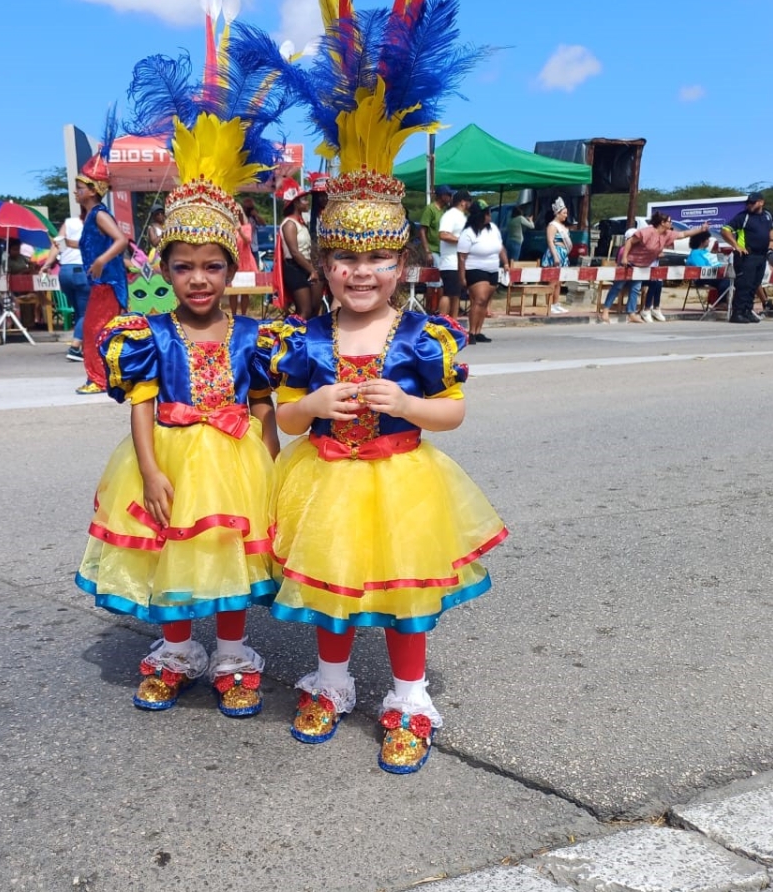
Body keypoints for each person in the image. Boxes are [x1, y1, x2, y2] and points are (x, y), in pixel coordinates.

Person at [268, 0, 506, 775]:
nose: (360, 273)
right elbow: (283, 414)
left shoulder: (425, 334)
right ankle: (332, 681)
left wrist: (407, 405)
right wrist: (309, 407)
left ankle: (408, 695)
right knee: (328, 588)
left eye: (376, 260)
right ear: (323, 264)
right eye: (344, 259)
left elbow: (456, 411)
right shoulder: (305, 336)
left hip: (404, 482)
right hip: (327, 481)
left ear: (401, 265)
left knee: (406, 595)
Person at [76, 35, 283, 717]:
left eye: (213, 266)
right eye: (184, 265)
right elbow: (140, 402)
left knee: (226, 558)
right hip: (164, 455)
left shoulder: (254, 334)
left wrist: (272, 470)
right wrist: (150, 466)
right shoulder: (147, 335)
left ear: (234, 270)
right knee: (169, 557)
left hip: (235, 463)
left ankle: (229, 655)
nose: (198, 278)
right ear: (163, 270)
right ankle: (174, 651)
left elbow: (261, 405)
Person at [73, 110, 129, 394]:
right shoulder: (91, 216)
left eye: (79, 187)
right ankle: (104, 376)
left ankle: (99, 379)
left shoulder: (98, 214)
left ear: (93, 190)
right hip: (102, 281)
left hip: (107, 282)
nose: (76, 192)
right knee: (99, 330)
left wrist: (101, 260)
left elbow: (121, 239)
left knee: (96, 330)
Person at [602, 213, 707, 323]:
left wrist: (701, 229)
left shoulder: (667, 234)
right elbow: (630, 241)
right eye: (669, 221)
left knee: (635, 289)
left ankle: (631, 314)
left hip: (642, 265)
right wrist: (624, 258)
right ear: (662, 223)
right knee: (618, 286)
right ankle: (605, 311)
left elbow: (684, 234)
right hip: (630, 262)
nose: (671, 223)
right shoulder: (647, 232)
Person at [719, 192, 773, 324]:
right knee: (744, 285)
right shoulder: (743, 217)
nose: (749, 205)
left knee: (754, 285)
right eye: (748, 203)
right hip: (746, 256)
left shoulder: (767, 216)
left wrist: (772, 243)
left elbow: (771, 229)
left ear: (761, 202)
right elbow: (725, 230)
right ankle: (737, 313)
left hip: (761, 256)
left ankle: (747, 311)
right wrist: (736, 246)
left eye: (752, 202)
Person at [456, 200, 507, 344]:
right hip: (475, 268)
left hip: (492, 268)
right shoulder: (468, 233)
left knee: (485, 302)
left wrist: (506, 262)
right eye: (486, 213)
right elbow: (461, 257)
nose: (489, 215)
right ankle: (471, 332)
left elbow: (501, 247)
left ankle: (478, 331)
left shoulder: (493, 229)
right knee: (479, 300)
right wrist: (462, 276)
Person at [277, 178, 318, 319]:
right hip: (294, 268)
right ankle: (292, 339)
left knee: (311, 310)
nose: (307, 202)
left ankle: (301, 337)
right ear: (296, 203)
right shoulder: (289, 224)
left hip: (303, 267)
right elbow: (294, 252)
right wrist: (311, 270)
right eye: (304, 200)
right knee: (304, 311)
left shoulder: (300, 223)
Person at [56, 211, 91, 363]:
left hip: (64, 271)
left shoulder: (68, 222)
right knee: (86, 312)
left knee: (79, 312)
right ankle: (75, 347)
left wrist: (47, 263)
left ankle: (83, 345)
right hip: (82, 269)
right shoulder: (95, 221)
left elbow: (58, 242)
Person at [436, 188, 471, 319]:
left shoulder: (462, 217)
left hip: (458, 263)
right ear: (462, 202)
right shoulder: (450, 215)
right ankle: (442, 321)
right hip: (449, 262)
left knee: (456, 294)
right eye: (469, 201)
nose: (470, 204)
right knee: (448, 293)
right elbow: (443, 234)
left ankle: (454, 322)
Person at [539, 197, 571, 315]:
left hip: (563, 253)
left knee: (559, 281)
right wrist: (555, 256)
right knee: (553, 280)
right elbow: (550, 241)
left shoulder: (562, 226)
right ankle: (549, 304)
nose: (566, 215)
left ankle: (556, 303)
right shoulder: (552, 226)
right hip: (555, 253)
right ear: (558, 213)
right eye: (564, 213)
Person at [229, 202, 259, 316]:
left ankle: (244, 314)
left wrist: (240, 230)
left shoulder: (247, 227)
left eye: (237, 212)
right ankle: (233, 315)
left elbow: (248, 240)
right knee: (233, 292)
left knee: (245, 291)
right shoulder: (229, 227)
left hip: (246, 262)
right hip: (234, 261)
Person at [687, 231, 731, 307]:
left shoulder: (705, 251)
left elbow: (718, 263)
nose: (709, 241)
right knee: (726, 280)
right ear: (702, 241)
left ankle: (730, 303)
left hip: (716, 274)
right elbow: (702, 270)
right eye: (707, 239)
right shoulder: (695, 254)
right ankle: (722, 302)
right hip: (703, 277)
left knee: (736, 279)